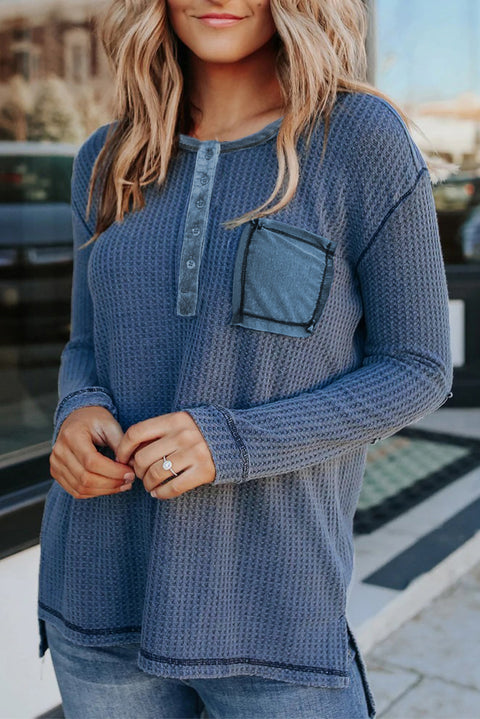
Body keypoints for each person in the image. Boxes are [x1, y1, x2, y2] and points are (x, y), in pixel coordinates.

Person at [37, 0, 453, 717]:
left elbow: (417, 367)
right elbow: (88, 345)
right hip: (97, 595)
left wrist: (233, 442)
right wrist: (77, 411)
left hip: (272, 611)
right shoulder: (107, 158)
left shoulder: (358, 140)